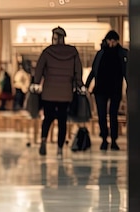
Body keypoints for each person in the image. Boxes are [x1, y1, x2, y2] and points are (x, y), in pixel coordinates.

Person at [32, 26, 85, 156]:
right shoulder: (73, 52)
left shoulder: (47, 52)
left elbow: (38, 69)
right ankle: (60, 148)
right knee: (62, 121)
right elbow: (78, 70)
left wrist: (36, 83)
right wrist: (79, 84)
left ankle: (44, 139)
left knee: (48, 118)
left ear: (54, 37)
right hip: (65, 93)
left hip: (49, 92)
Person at [85, 30, 128, 150]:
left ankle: (113, 140)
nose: (112, 43)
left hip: (114, 89)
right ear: (107, 40)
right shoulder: (101, 53)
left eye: (114, 41)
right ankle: (104, 138)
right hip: (101, 89)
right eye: (111, 40)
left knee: (113, 115)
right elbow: (94, 71)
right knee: (102, 115)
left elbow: (127, 72)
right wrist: (86, 85)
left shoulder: (122, 53)